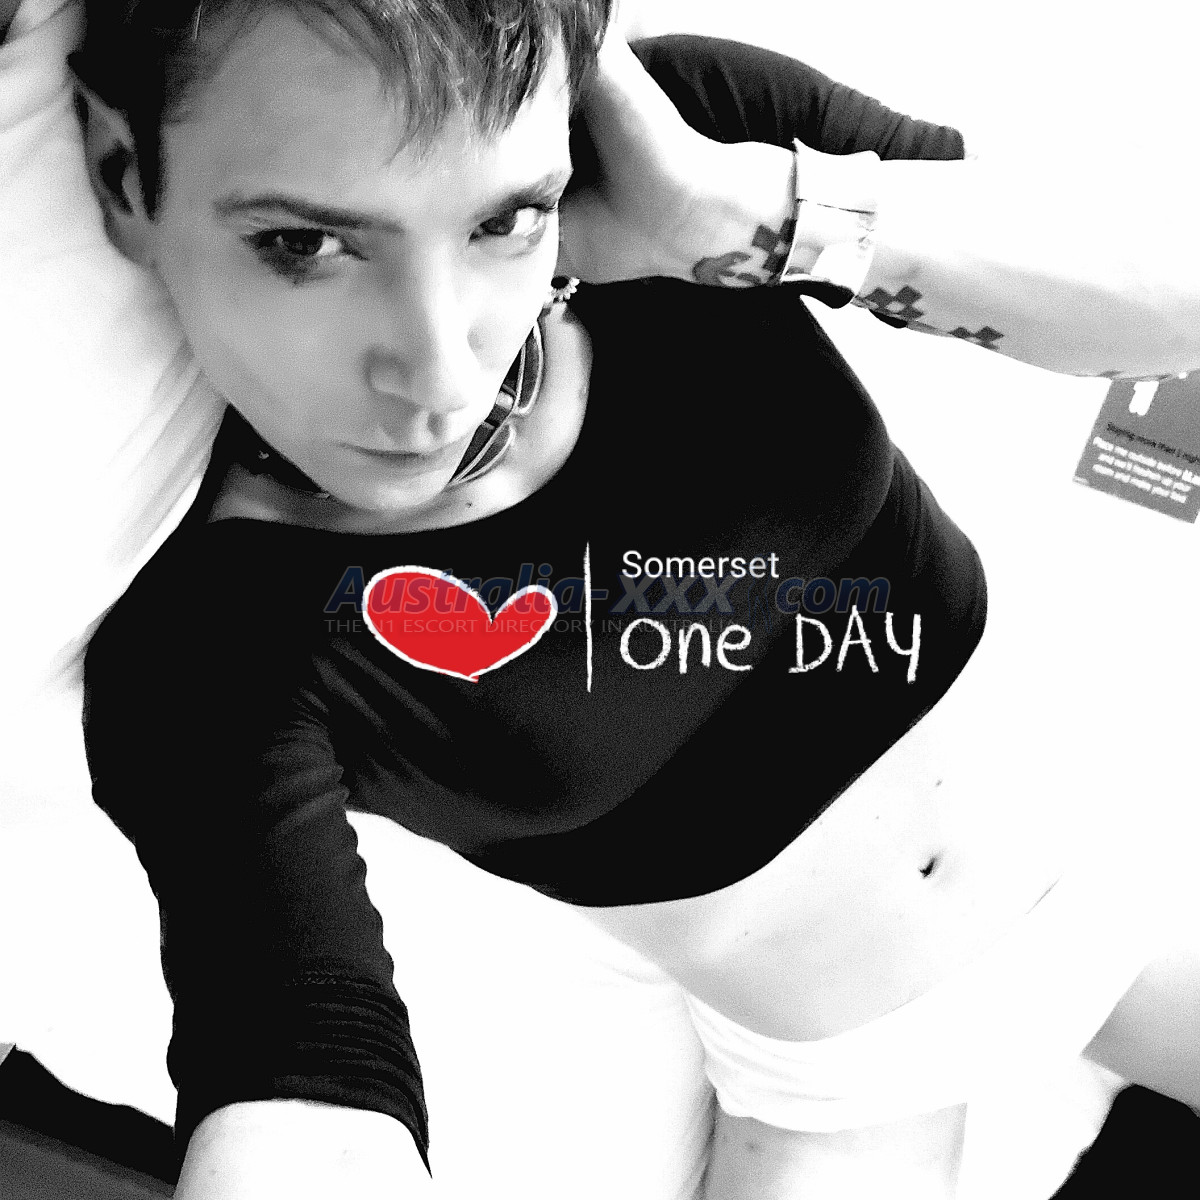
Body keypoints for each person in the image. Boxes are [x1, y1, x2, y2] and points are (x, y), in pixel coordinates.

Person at [44, 1, 1198, 1198]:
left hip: (1111, 851)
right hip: (845, 1085)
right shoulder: (214, 646)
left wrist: (735, 216)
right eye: (303, 244)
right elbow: (304, 1088)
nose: (443, 374)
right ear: (125, 173)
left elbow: (1178, 312)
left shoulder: (697, 141)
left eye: (506, 219)